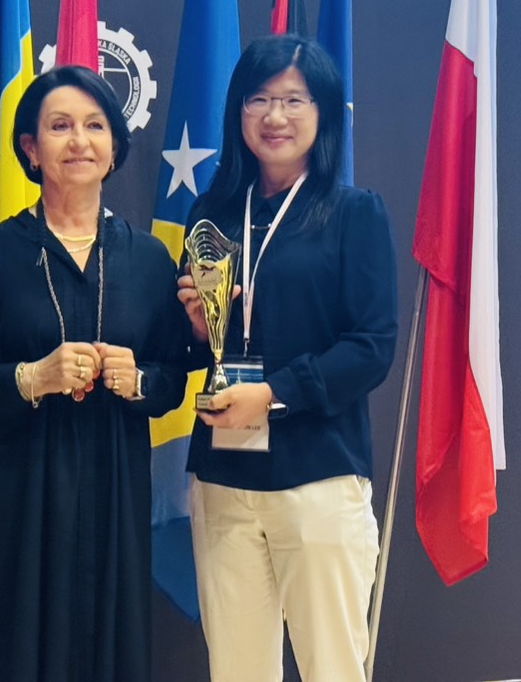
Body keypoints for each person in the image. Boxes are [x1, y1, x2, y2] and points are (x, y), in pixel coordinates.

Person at [0, 65, 190, 682]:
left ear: (114, 148)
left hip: (112, 490)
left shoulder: (150, 257)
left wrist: (139, 380)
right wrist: (29, 378)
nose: (79, 141)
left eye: (95, 126)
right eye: (60, 127)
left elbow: (172, 378)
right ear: (30, 148)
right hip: (12, 491)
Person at [179, 35, 397, 682]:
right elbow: (191, 346)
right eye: (259, 99)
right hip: (224, 477)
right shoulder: (212, 214)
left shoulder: (354, 214)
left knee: (332, 667)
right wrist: (199, 331)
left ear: (323, 113)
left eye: (294, 100)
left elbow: (371, 346)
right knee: (237, 670)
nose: (275, 116)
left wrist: (274, 394)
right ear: (237, 111)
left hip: (318, 475)